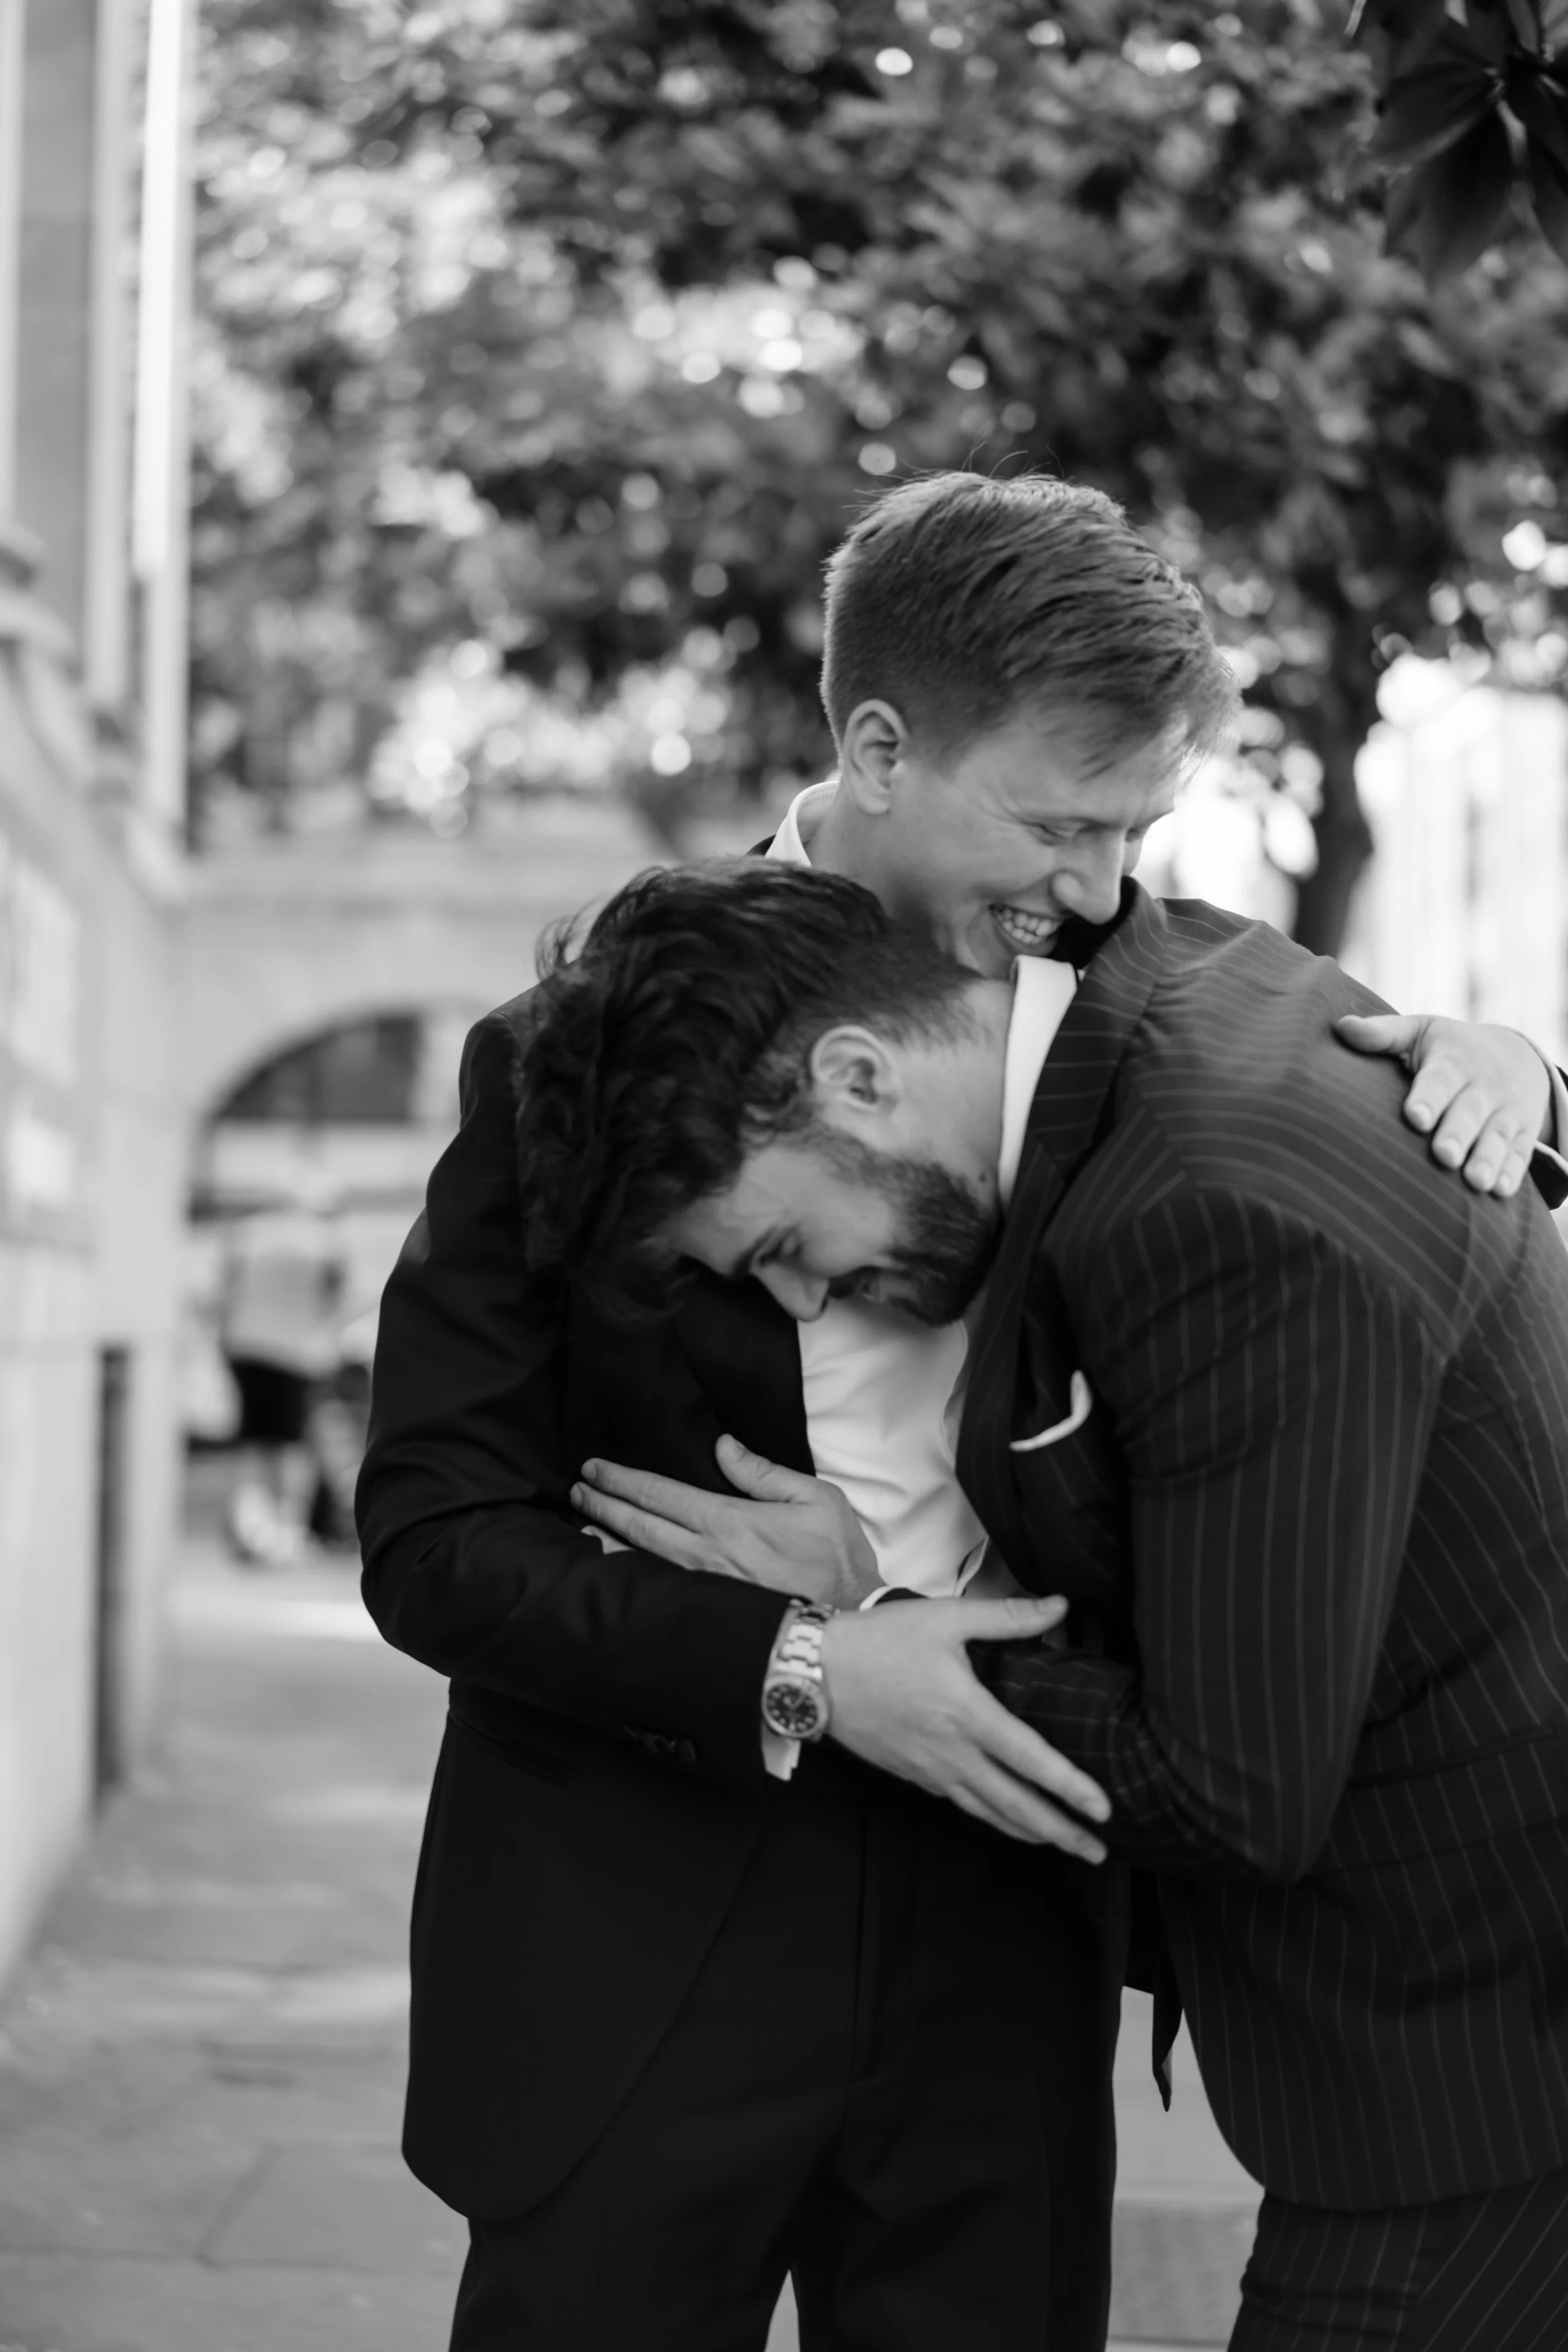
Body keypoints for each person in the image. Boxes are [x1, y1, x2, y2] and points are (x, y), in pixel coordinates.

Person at [357, 472, 1563, 2352]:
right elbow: (433, 1537)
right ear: (877, 744)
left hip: (1016, 1883)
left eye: (1129, 826)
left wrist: (1512, 1072)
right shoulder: (576, 1044)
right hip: (646, 1909)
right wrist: (806, 1662)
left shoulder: (1143, 991)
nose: (1096, 878)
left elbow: (1332, 1168)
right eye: (1063, 821)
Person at [528, 857, 1568, 2352]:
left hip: (1476, 2060)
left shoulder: (1202, 1202)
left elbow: (1233, 1787)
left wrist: (858, 1633)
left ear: (858, 1074)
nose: (811, 1301)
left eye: (777, 1246)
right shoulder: (1192, 986)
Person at [220, 1182, 347, 1564]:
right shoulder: (325, 1243)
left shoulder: (247, 1234)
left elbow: (226, 1290)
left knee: (252, 1441)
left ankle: (250, 1528)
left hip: (246, 1348)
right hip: (297, 1354)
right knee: (292, 1448)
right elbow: (334, 1299)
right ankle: (288, 1531)